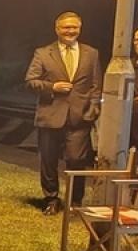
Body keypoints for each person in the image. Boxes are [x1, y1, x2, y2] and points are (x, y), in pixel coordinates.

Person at [25, 11, 102, 214]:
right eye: (66, 27)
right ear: (57, 29)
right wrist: (52, 87)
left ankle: (75, 202)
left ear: (80, 28)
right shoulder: (42, 53)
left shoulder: (91, 54)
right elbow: (30, 81)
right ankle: (51, 199)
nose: (70, 31)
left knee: (77, 160)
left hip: (80, 117)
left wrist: (93, 109)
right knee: (48, 160)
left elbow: (96, 85)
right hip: (50, 115)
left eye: (74, 27)